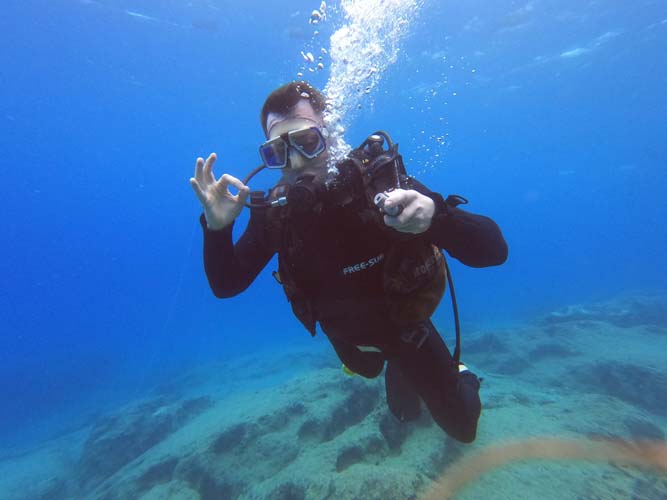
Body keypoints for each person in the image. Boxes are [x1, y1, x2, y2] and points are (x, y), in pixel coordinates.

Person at [190, 81, 508, 443]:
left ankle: (460, 372)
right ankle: (394, 368)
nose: (296, 162)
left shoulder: (383, 188)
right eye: (278, 152)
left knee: (460, 426)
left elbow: (494, 252)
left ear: (330, 135)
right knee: (379, 383)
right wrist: (217, 229)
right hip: (348, 342)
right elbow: (227, 284)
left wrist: (436, 217)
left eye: (308, 142)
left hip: (408, 332)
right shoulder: (277, 215)